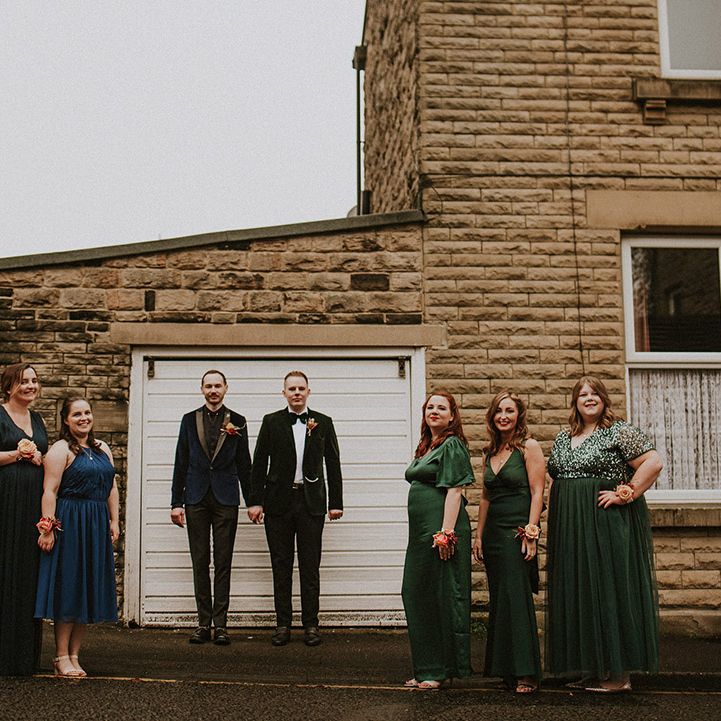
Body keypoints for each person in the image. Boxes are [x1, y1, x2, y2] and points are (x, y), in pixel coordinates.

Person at [546, 375, 663, 693]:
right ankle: (594, 668)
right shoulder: (563, 436)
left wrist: (627, 493)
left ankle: (619, 676)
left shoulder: (618, 431)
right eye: (582, 394)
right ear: (575, 401)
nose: (589, 398)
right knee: (582, 592)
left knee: (609, 590)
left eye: (594, 393)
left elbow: (653, 462)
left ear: (603, 399)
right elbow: (556, 479)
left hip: (604, 524)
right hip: (571, 528)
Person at [247, 370, 343, 647]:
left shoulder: (323, 422)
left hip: (311, 503)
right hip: (278, 502)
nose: (297, 393)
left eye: (301, 388)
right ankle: (283, 624)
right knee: (281, 565)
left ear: (308, 392)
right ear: (284, 393)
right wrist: (255, 501)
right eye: (292, 389)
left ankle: (311, 624)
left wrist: (335, 503)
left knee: (310, 566)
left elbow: (333, 463)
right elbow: (259, 463)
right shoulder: (271, 421)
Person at [34, 397, 119, 677]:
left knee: (86, 588)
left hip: (96, 522)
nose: (84, 418)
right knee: (70, 588)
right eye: (77, 414)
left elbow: (111, 487)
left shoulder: (102, 447)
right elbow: (50, 490)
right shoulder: (60, 450)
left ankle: (74, 655)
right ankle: (60, 656)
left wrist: (114, 520)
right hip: (70, 522)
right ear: (66, 420)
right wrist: (47, 528)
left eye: (87, 413)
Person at [170, 369, 251, 646]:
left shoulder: (238, 421)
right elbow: (181, 461)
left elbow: (245, 464)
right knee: (200, 561)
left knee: (223, 562)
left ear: (226, 388)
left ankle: (221, 625)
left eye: (218, 385)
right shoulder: (188, 420)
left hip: (226, 498)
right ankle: (203, 623)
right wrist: (176, 502)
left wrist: (253, 501)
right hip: (196, 497)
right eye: (209, 386)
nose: (213, 390)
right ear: (201, 389)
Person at [472, 391, 544, 694]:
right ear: (492, 416)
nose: (504, 416)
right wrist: (478, 534)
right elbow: (485, 496)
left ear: (519, 415)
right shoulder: (489, 452)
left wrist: (531, 531)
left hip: (517, 532)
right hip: (493, 534)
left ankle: (527, 672)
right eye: (499, 411)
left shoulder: (529, 447)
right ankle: (505, 670)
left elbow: (537, 492)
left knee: (517, 598)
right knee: (500, 599)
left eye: (510, 411)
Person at [401, 391, 474, 690]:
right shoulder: (426, 446)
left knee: (439, 596)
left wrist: (446, 533)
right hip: (420, 534)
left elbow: (455, 490)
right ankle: (426, 667)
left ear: (452, 416)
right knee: (416, 593)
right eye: (430, 407)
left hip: (440, 531)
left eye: (441, 408)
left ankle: (438, 670)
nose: (434, 411)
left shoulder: (452, 444)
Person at [0, 363, 47, 676]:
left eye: (34, 381)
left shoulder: (38, 419)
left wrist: (40, 457)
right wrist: (19, 454)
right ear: (8, 387)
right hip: (5, 503)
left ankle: (23, 658)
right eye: (24, 381)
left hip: (31, 505)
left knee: (28, 574)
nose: (31, 386)